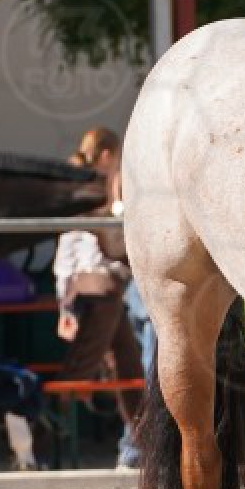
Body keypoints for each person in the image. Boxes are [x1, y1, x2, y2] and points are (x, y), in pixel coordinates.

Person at [56, 126, 142, 468]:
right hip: (98, 292)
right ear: (106, 156)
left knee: (127, 366)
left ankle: (140, 444)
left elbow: (70, 251)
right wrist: (65, 306)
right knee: (83, 368)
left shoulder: (99, 188)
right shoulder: (92, 191)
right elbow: (78, 248)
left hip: (103, 290)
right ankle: (51, 428)